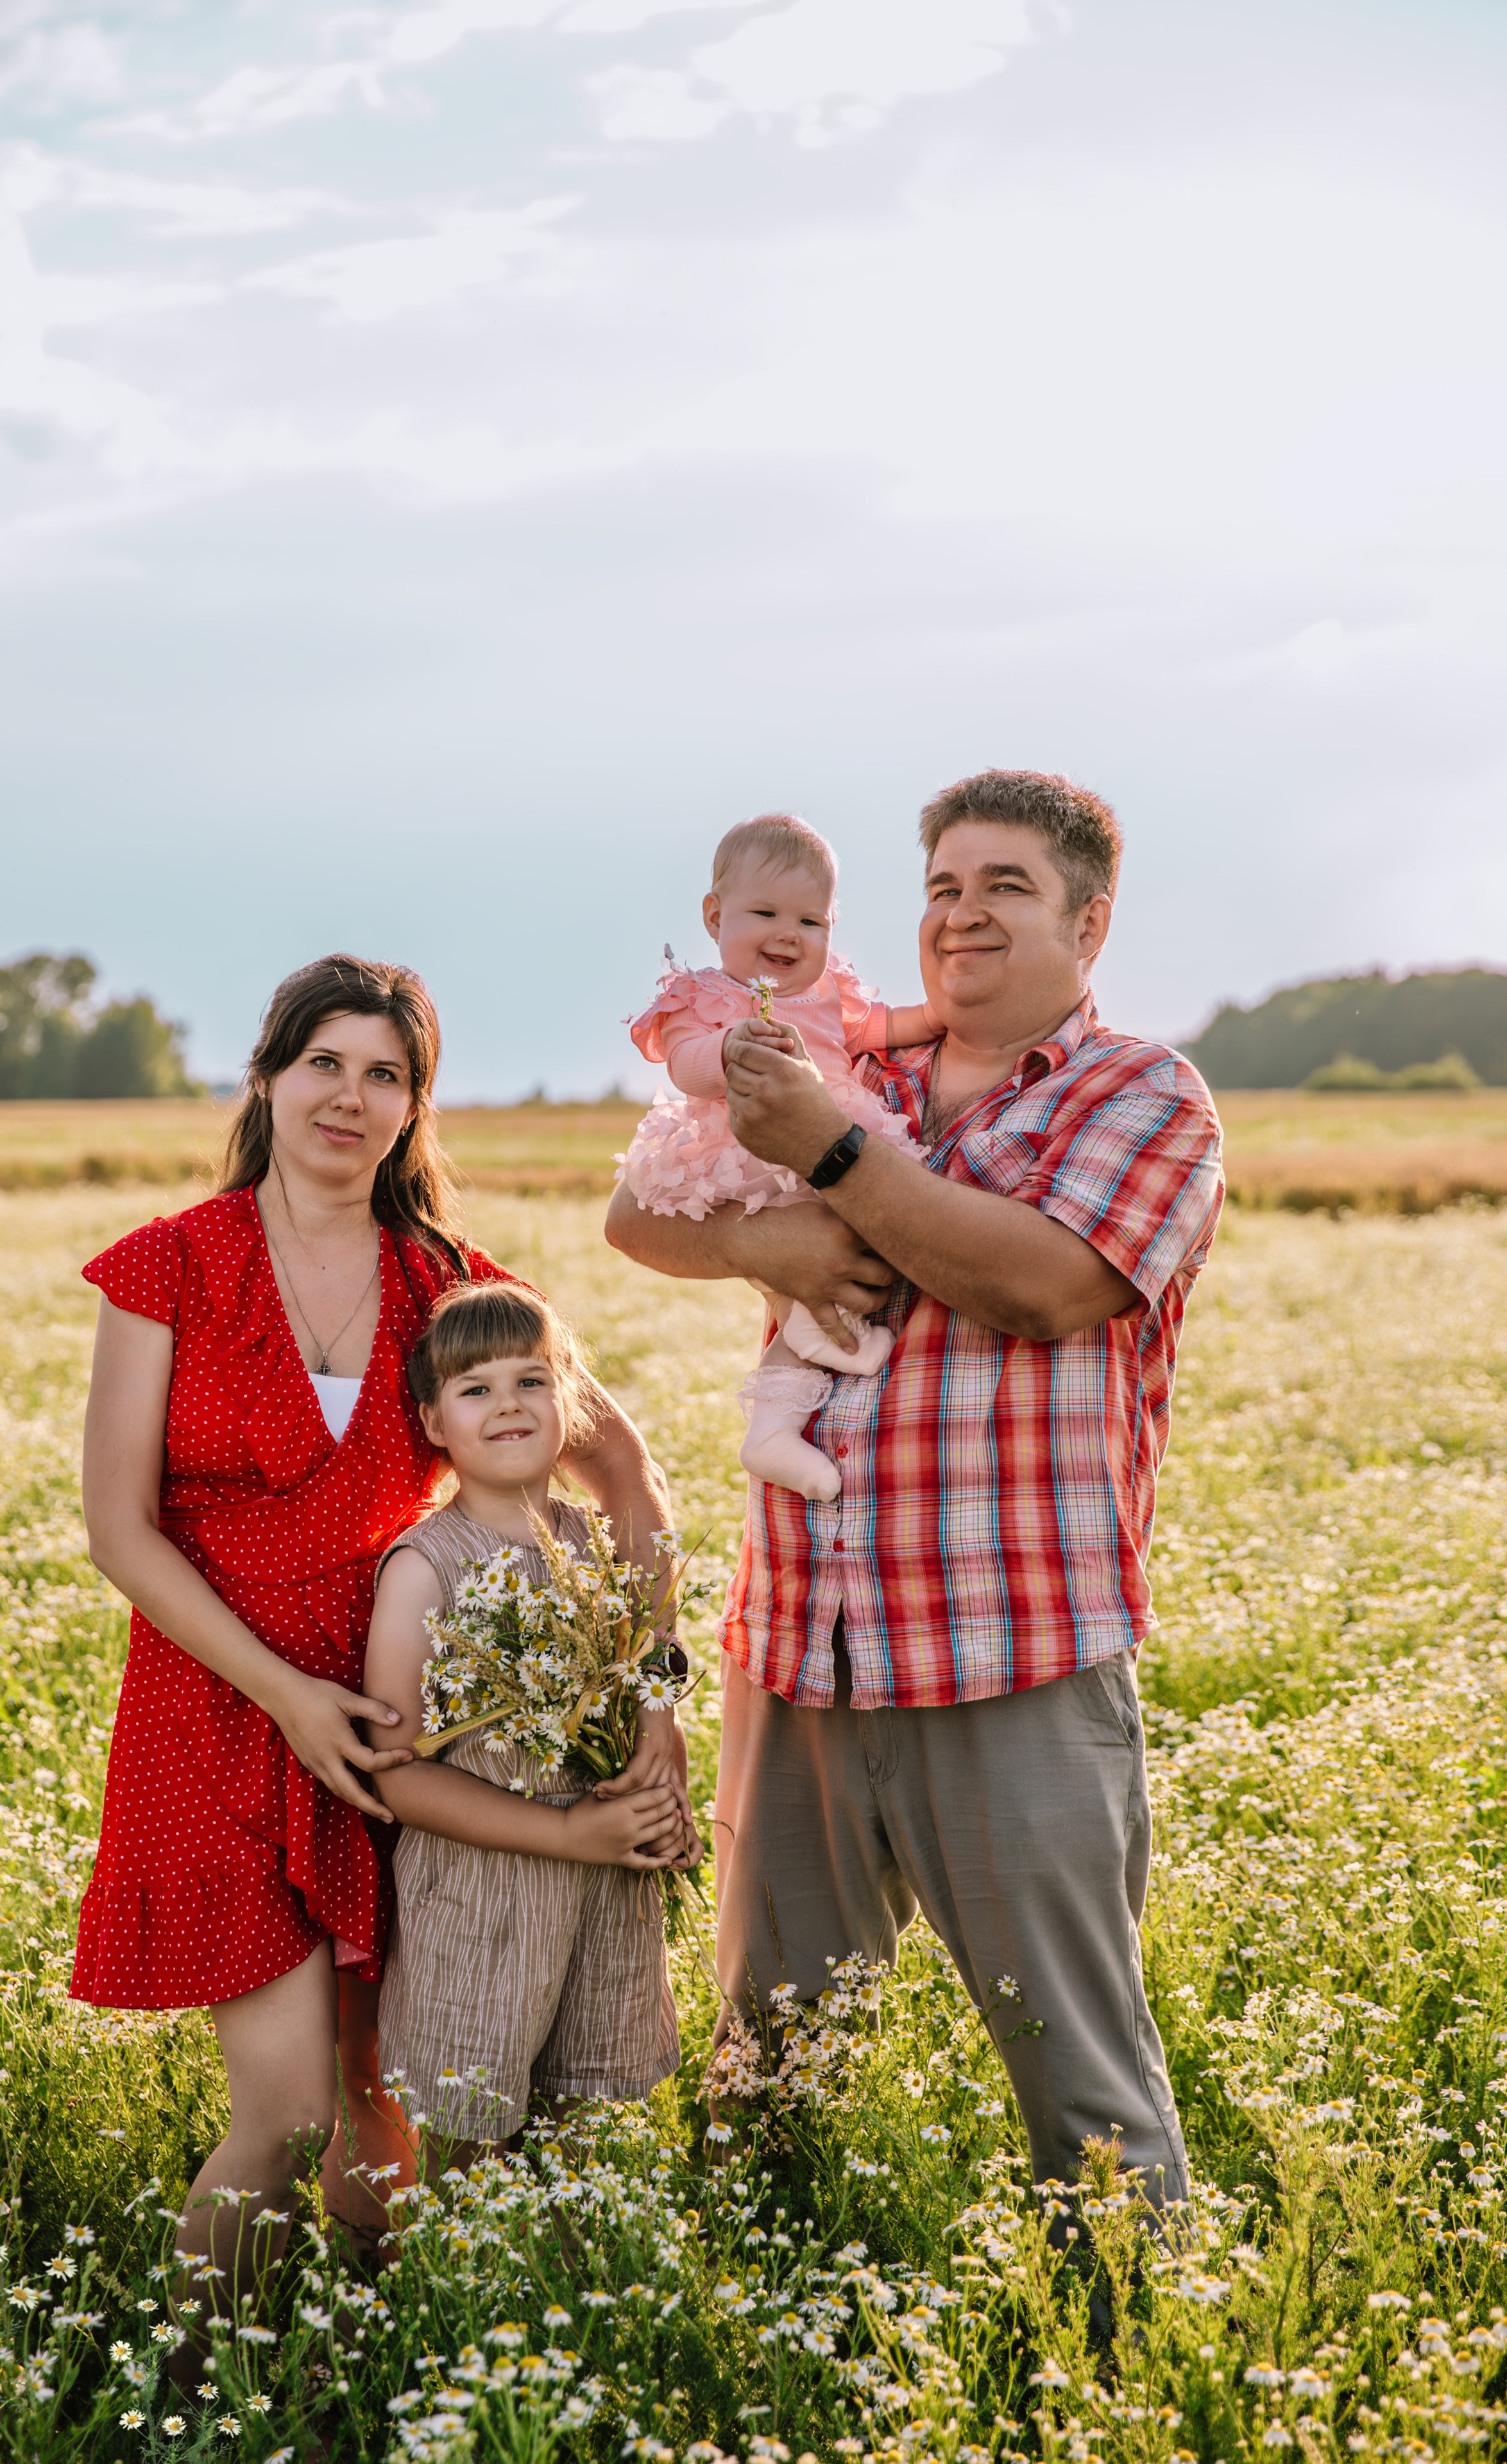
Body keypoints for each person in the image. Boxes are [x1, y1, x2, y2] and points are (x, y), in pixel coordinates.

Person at [606, 769, 1225, 2203]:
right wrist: (764, 1246)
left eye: (1003, 886)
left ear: (1090, 917)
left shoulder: (1140, 1093)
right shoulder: (854, 1062)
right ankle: (761, 2345)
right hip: (800, 1646)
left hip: (1006, 1651)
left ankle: (1132, 2383)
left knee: (1078, 2076)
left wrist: (823, 1159)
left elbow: (1039, 1284)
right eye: (942, 886)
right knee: (766, 2062)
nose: (960, 915)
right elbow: (640, 1208)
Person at [76, 954, 671, 2359]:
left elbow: (630, 1477)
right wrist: (284, 1697)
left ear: (415, 1108)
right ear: (269, 1078)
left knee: (387, 2114)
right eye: (323, 1063)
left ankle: (367, 2372)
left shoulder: (449, 1284)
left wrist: (644, 1695)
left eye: (385, 1074)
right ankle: (189, 2389)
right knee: (279, 2112)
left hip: (408, 1723)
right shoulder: (168, 1262)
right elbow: (119, 1529)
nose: (350, 1096)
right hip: (219, 1708)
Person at [364, 1279, 696, 2166]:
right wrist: (574, 1835)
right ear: (435, 1422)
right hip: (481, 1904)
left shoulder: (595, 1544)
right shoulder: (425, 1570)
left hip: (601, 1900)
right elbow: (394, 1772)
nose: (507, 1404)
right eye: (476, 1389)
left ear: (572, 1403)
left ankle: (571, 2295)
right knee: (472, 2152)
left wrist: (661, 1773)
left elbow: (643, 1675)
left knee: (580, 2144)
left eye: (532, 1381)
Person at [620, 812, 937, 1500]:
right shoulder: (706, 996)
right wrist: (728, 1051)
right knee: (802, 1262)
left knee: (842, 1245)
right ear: (714, 916)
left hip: (829, 1141)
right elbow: (683, 1064)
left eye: (812, 922)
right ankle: (819, 1349)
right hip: (747, 1150)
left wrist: (942, 1015)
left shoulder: (829, 995)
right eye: (764, 913)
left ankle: (771, 1431)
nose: (788, 934)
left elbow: (881, 1029)